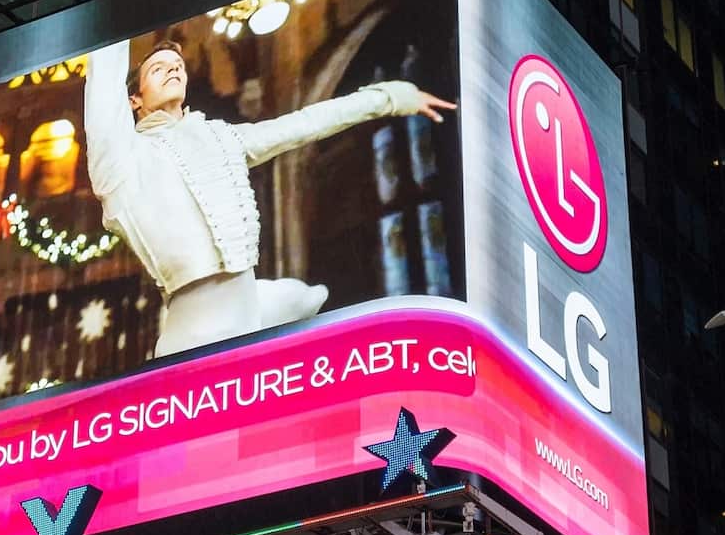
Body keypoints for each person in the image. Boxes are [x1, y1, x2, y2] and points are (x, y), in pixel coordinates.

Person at [84, 38, 456, 357]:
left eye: (178, 66)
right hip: (191, 340)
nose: (173, 70)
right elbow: (102, 93)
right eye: (158, 69)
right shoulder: (123, 163)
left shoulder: (221, 138)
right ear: (134, 99)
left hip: (252, 317)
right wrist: (114, 6)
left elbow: (304, 124)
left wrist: (392, 97)